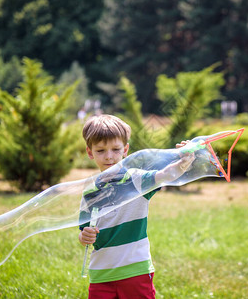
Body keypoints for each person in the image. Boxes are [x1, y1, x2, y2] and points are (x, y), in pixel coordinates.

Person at [78, 114, 194, 299]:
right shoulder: (89, 191)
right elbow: (84, 233)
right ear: (90, 152)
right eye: (100, 151)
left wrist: (184, 160)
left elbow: (167, 174)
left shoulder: (137, 179)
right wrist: (84, 236)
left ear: (126, 150)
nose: (109, 157)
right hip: (100, 275)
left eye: (116, 149)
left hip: (135, 271)